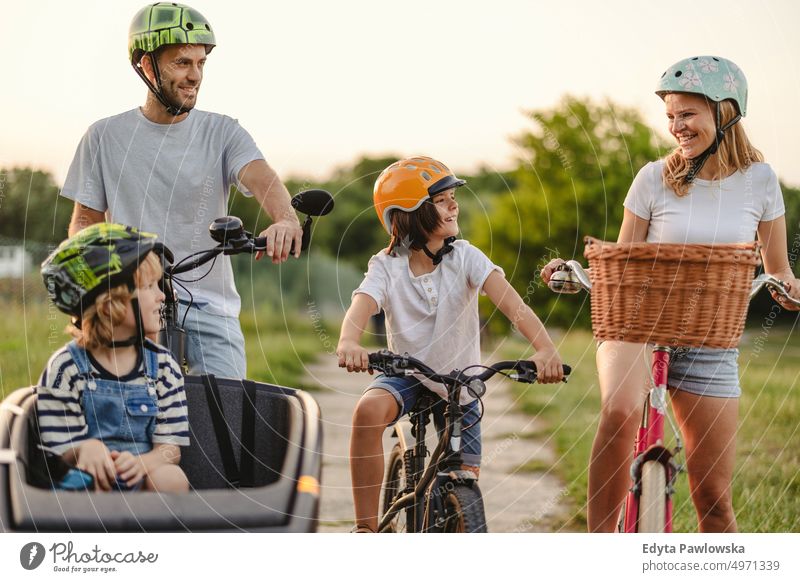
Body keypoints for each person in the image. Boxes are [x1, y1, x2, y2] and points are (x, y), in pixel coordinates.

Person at [541, 56, 800, 532]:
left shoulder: (761, 182)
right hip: (636, 325)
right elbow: (624, 257)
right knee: (619, 411)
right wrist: (577, 271)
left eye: (688, 114)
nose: (677, 127)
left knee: (715, 499)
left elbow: (779, 269)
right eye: (671, 117)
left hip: (711, 339)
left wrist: (788, 288)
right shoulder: (652, 177)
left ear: (726, 113)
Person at [60, 2, 303, 378]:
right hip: (132, 305)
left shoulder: (222, 132)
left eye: (200, 63)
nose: (195, 75)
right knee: (121, 415)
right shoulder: (103, 137)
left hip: (211, 308)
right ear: (146, 66)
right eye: (181, 63)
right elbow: (84, 223)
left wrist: (286, 219)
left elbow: (262, 177)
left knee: (228, 418)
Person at [337, 156, 565, 532]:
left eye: (451, 197)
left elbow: (515, 307)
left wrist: (545, 350)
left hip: (461, 384)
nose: (453, 204)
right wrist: (349, 341)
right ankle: (365, 529)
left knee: (461, 478)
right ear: (409, 214)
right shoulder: (386, 265)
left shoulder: (466, 258)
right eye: (441, 200)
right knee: (366, 413)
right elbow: (361, 306)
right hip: (406, 373)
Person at [38, 224, 190, 492]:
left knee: (171, 478)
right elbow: (56, 447)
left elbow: (170, 449)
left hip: (142, 483)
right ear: (111, 306)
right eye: (150, 286)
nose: (162, 296)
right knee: (79, 483)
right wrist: (85, 448)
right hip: (91, 487)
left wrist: (144, 463)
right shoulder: (66, 368)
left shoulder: (164, 368)